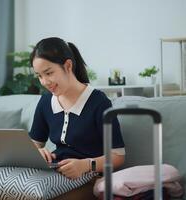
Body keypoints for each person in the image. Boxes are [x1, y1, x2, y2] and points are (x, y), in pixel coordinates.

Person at [29, 37, 125, 180]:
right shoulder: (46, 101)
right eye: (39, 76)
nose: (44, 82)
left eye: (48, 73)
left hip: (90, 177)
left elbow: (118, 156)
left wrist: (86, 165)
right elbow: (35, 143)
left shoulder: (99, 102)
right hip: (55, 174)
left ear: (68, 66)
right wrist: (38, 152)